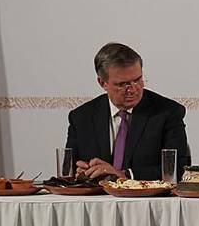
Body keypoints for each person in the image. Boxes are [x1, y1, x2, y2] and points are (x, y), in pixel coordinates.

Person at [65, 42, 189, 180]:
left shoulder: (168, 112)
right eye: (122, 84)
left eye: (137, 80)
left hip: (146, 199)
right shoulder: (81, 117)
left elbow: (177, 168)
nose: (132, 89)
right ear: (102, 83)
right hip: (97, 198)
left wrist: (125, 175)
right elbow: (68, 169)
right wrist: (80, 172)